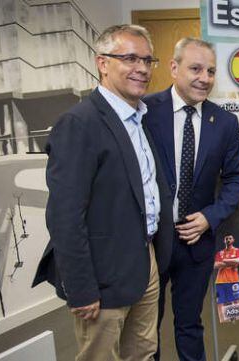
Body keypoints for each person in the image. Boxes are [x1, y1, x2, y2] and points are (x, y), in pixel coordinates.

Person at [32, 24, 174, 361]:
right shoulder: (80, 123)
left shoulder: (139, 118)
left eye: (147, 60)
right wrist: (81, 289)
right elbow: (65, 216)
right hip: (103, 272)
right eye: (129, 58)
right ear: (103, 63)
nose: (141, 68)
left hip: (145, 261)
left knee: (143, 351)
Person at [143, 37, 239, 361]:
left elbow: (236, 178)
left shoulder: (225, 123)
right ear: (174, 68)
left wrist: (210, 217)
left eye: (211, 71)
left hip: (197, 243)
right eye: (196, 68)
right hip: (150, 242)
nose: (205, 78)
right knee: (147, 328)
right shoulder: (145, 112)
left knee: (189, 324)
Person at [214, 234, 239, 304]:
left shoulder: (237, 250)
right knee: (220, 303)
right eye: (226, 239)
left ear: (233, 240)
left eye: (230, 238)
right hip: (220, 281)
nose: (228, 240)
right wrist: (231, 262)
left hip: (234, 280)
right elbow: (215, 265)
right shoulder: (219, 253)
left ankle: (236, 315)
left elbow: (238, 261)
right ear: (224, 241)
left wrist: (224, 260)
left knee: (235, 302)